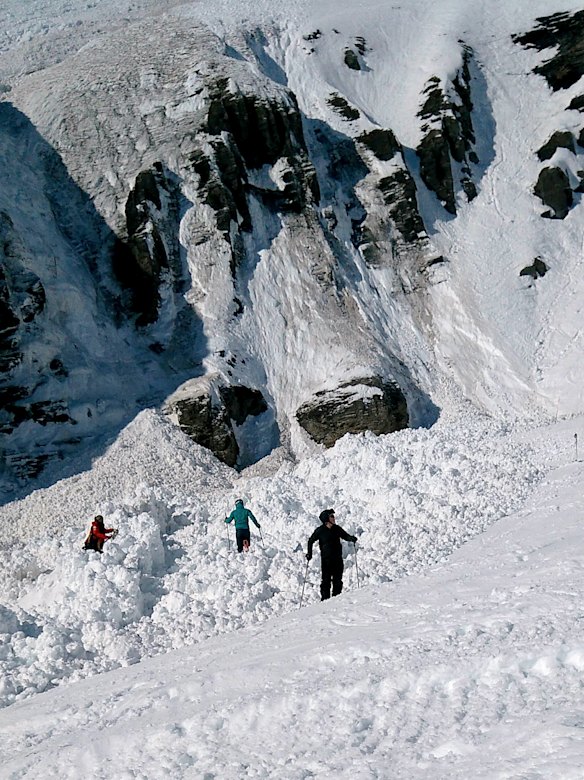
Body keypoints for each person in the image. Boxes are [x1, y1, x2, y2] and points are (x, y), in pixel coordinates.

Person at [306, 508, 357, 600]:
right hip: (326, 560)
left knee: (337, 580)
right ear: (326, 519)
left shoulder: (337, 529)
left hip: (337, 559)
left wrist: (351, 538)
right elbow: (310, 541)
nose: (334, 518)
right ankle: (325, 600)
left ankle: (336, 599)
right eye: (332, 516)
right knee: (326, 581)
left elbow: (345, 536)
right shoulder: (320, 531)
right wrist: (309, 553)